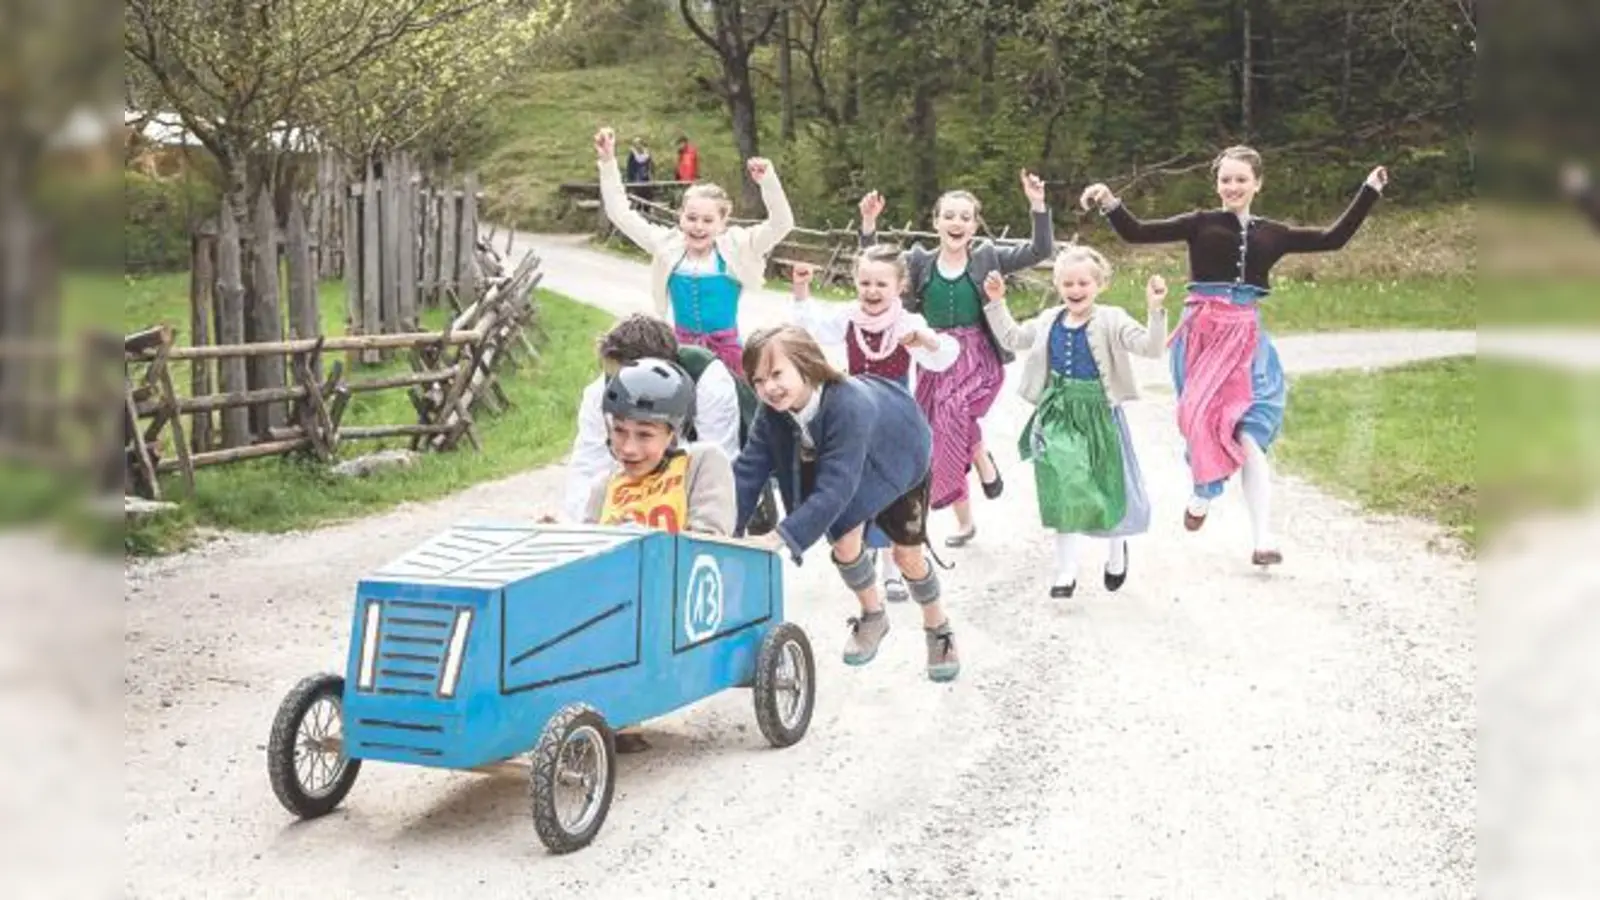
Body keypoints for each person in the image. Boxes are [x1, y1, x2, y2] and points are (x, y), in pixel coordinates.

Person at [1081, 146, 1389, 566]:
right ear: (1217, 184)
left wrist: (1369, 190)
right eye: (1225, 179)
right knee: (1200, 422)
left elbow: (1332, 238)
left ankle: (1263, 540)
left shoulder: (1273, 233)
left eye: (1241, 179)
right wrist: (1109, 201)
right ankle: (1203, 491)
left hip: (1247, 342)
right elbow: (1136, 232)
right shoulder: (1200, 223)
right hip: (1202, 336)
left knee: (1249, 435)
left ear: (1257, 183)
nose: (1233, 187)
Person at [731, 325, 961, 683]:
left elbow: (836, 488)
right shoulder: (771, 411)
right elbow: (748, 470)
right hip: (847, 462)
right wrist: (722, 529)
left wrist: (782, 535)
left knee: (907, 556)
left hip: (898, 455)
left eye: (776, 374)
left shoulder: (848, 405)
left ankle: (938, 626)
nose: (768, 388)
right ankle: (874, 614)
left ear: (806, 364)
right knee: (844, 543)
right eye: (758, 380)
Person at [857, 171, 1055, 548]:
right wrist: (868, 224)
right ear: (936, 222)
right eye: (949, 215)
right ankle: (966, 518)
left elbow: (1039, 250)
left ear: (974, 225)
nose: (957, 222)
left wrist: (1037, 205)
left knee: (952, 412)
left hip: (977, 356)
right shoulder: (918, 261)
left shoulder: (987, 257)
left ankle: (978, 461)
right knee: (941, 434)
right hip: (933, 356)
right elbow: (876, 264)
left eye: (965, 217)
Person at [982, 247, 1166, 597]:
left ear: (1100, 284)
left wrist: (1155, 311)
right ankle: (1066, 570)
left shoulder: (1112, 318)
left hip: (1099, 414)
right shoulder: (1050, 319)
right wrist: (996, 303)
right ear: (1057, 285)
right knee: (1061, 484)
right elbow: (1012, 338)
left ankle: (1117, 551)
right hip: (1058, 411)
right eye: (1067, 283)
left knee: (1108, 487)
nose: (1075, 289)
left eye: (1083, 283)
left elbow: (1151, 348)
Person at [579, 357, 736, 752]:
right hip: (613, 597)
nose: (628, 447)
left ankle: (614, 709)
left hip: (678, 593)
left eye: (645, 435)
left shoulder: (703, 463)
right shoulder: (605, 486)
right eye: (619, 431)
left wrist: (643, 537)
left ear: (674, 433)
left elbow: (711, 537)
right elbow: (585, 554)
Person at [787, 249, 960, 601]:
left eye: (881, 284)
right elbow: (811, 329)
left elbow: (942, 357)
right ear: (855, 282)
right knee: (857, 484)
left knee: (893, 490)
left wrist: (927, 340)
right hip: (856, 416)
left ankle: (893, 570)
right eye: (865, 282)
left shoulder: (907, 323)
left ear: (900, 286)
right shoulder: (849, 317)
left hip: (895, 422)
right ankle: (862, 555)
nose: (872, 290)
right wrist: (801, 291)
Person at [595, 126, 794, 376]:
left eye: (708, 220)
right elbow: (620, 214)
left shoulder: (738, 247)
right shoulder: (667, 245)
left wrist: (768, 182)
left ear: (722, 223)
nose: (698, 227)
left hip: (728, 356)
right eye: (691, 218)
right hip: (680, 354)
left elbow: (782, 224)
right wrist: (608, 162)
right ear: (681, 217)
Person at [562, 314, 777, 533]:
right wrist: (578, 529)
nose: (624, 389)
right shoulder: (600, 392)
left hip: (723, 456)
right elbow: (587, 465)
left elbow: (723, 465)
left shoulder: (709, 378)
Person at [624, 137, 655, 204]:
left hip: (646, 178)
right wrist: (631, 178)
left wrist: (651, 175)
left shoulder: (647, 154)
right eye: (636, 144)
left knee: (647, 196)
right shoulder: (632, 154)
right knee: (637, 197)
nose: (638, 146)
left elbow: (651, 166)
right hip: (637, 178)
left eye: (639, 143)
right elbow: (630, 167)